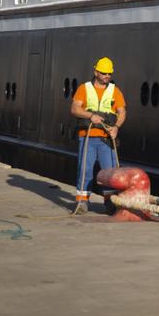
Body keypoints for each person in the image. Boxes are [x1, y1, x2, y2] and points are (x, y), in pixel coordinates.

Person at [70, 57, 126, 215]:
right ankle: (82, 202)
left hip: (106, 139)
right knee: (85, 170)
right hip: (87, 136)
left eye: (109, 73)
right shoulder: (84, 88)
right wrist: (90, 116)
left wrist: (116, 127)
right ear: (96, 72)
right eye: (103, 73)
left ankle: (110, 202)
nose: (107, 76)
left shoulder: (115, 91)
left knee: (109, 172)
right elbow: (74, 109)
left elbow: (122, 111)